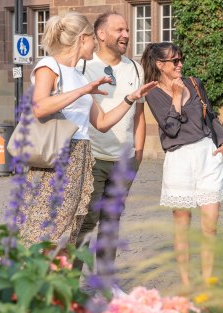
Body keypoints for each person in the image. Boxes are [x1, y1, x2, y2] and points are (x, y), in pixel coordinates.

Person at [18, 12, 157, 250]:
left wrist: (129, 98)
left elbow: (101, 122)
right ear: (83, 39)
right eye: (92, 37)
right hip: (58, 158)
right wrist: (83, 91)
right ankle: (23, 282)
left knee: (70, 228)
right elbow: (39, 107)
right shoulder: (49, 65)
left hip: (81, 159)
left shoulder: (78, 74)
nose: (94, 43)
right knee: (44, 230)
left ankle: (64, 286)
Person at [142, 42, 223, 287]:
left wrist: (222, 141)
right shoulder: (153, 93)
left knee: (210, 224)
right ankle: (186, 284)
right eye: (175, 61)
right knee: (182, 226)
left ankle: (207, 282)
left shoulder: (194, 82)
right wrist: (177, 97)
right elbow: (170, 129)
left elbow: (209, 115)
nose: (180, 64)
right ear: (160, 65)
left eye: (181, 59)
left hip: (206, 154)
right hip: (179, 158)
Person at [74, 11, 146, 296]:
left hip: (123, 161)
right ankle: (69, 285)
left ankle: (106, 285)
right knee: (84, 222)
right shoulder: (83, 66)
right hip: (91, 158)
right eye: (119, 29)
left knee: (111, 223)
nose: (125, 35)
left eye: (127, 30)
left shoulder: (135, 68)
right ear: (100, 34)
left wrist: (137, 154)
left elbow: (140, 114)